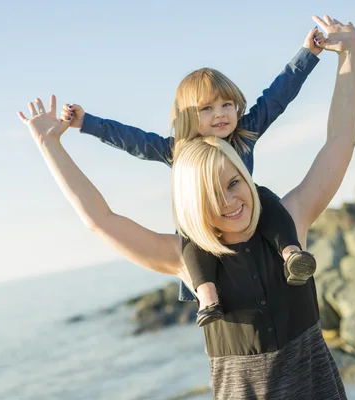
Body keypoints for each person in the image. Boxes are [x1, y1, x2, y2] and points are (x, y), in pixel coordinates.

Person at [18, 14, 355, 398]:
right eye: (209, 191)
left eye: (234, 182)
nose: (227, 200)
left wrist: (347, 53)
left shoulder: (289, 218)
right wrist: (54, 145)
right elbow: (100, 218)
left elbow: (339, 139)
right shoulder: (185, 257)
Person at [56, 28, 326, 324]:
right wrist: (87, 123)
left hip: (243, 212)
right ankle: (207, 294)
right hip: (204, 220)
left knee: (266, 199)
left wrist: (308, 54)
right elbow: (132, 140)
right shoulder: (178, 150)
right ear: (188, 117)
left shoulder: (244, 135)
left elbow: (276, 97)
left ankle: (291, 254)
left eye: (227, 105)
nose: (220, 114)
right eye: (207, 108)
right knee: (189, 234)